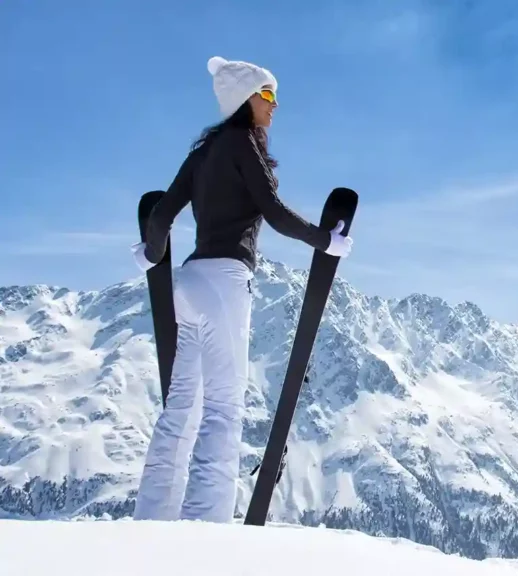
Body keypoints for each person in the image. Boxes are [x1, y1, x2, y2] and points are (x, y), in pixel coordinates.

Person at [129, 56, 353, 523]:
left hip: (187, 284)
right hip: (225, 283)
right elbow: (271, 209)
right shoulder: (241, 144)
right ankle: (204, 526)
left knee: (181, 408)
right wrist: (324, 240)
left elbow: (161, 216)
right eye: (267, 95)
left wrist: (151, 254)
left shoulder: (202, 153)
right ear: (244, 99)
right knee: (224, 407)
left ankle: (151, 519)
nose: (274, 106)